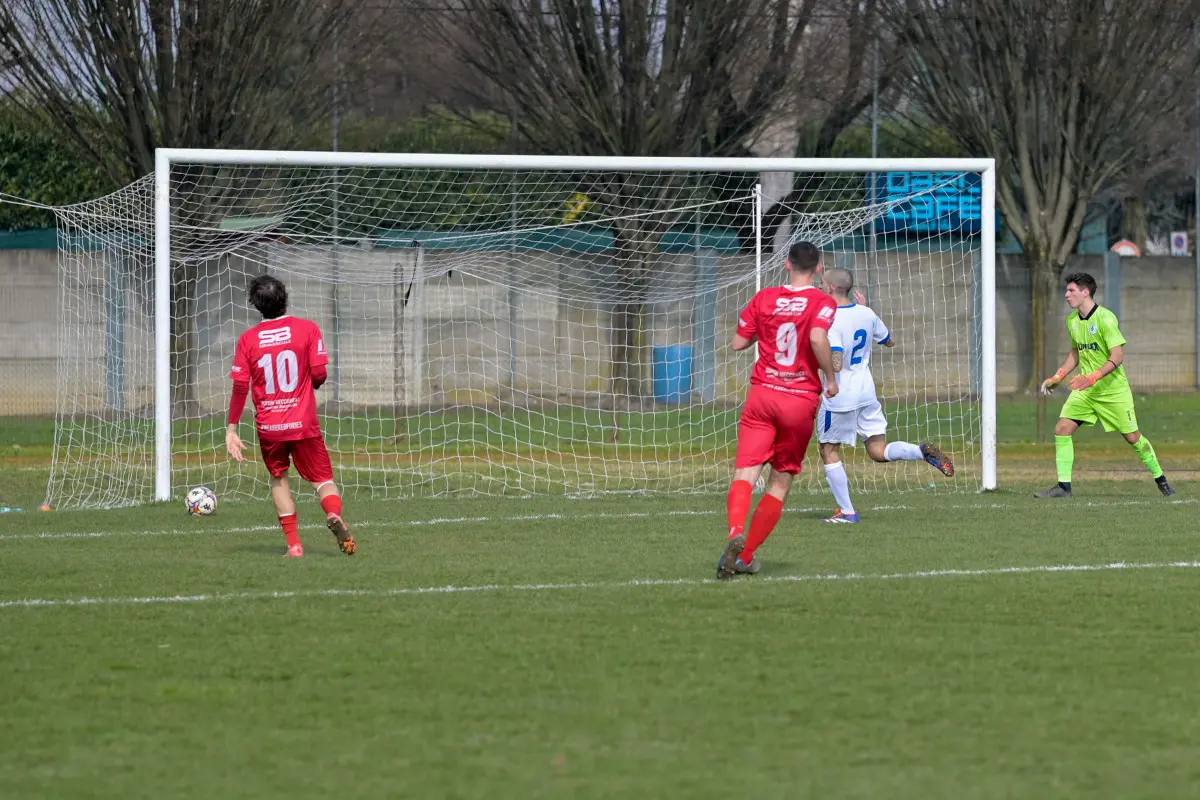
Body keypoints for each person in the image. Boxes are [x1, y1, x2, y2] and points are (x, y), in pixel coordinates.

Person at [716, 241, 838, 580]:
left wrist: (765, 330)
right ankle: (747, 555)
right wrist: (830, 377)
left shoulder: (765, 298)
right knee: (781, 479)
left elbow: (738, 343)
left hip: (762, 395)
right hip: (797, 399)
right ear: (817, 268)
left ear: (786, 265)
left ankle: (734, 533)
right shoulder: (822, 301)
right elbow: (816, 337)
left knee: (745, 473)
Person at [225, 274, 357, 557]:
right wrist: (312, 384)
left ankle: (295, 546)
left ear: (255, 305)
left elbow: (239, 386)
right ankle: (334, 514)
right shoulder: (307, 329)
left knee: (279, 479)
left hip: (270, 428)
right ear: (285, 298)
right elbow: (320, 373)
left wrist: (232, 428)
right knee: (322, 480)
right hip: (303, 422)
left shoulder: (248, 340)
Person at [817, 268, 954, 523]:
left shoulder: (830, 319)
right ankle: (921, 451)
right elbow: (890, 341)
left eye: (821, 284)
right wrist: (865, 315)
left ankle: (847, 512)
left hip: (841, 396)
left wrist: (826, 364)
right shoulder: (866, 313)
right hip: (867, 392)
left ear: (831, 288)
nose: (819, 287)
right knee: (878, 450)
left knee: (828, 450)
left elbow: (835, 362)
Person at [1036, 271, 1173, 499]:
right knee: (1062, 428)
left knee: (1133, 438)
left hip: (1112, 391)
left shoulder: (1105, 318)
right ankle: (1063, 487)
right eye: (1067, 290)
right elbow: (1075, 353)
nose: (1066, 295)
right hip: (1086, 391)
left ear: (1085, 292)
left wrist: (1092, 377)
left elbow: (1117, 356)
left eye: (1071, 291)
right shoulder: (1072, 321)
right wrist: (1058, 376)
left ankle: (1161, 479)